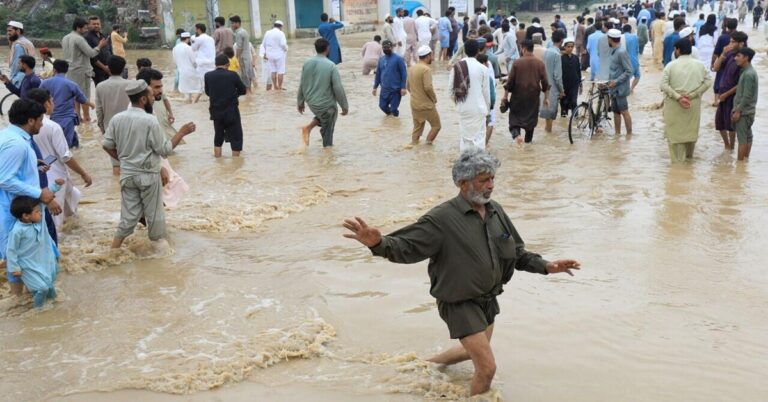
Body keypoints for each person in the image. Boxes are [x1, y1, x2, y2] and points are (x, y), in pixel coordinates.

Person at [342, 148, 580, 397]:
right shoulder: (441, 219)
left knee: (471, 350)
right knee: (487, 368)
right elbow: (406, 248)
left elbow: (516, 252)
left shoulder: (495, 210)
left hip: (487, 300)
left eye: (492, 179)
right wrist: (378, 244)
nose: (490, 186)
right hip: (459, 302)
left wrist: (548, 266)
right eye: (483, 180)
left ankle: (425, 365)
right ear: (462, 183)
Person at [102, 80, 195, 249]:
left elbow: (106, 145)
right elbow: (164, 149)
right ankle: (160, 259)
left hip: (127, 175)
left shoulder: (117, 119)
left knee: (128, 217)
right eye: (151, 95)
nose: (154, 98)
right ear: (143, 99)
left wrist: (123, 161)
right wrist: (181, 132)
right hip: (148, 176)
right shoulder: (150, 120)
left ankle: (113, 250)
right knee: (155, 216)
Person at [0, 100, 57, 297]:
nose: (42, 123)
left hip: (17, 208)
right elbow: (4, 179)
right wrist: (39, 193)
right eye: (40, 119)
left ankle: (24, 298)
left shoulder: (10, 137)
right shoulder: (17, 145)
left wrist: (32, 163)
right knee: (17, 258)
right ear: (30, 120)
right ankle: (17, 302)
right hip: (14, 211)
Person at [26, 88, 92, 229]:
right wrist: (83, 173)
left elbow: (49, 156)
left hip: (41, 177)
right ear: (46, 104)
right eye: (52, 100)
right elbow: (65, 156)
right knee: (57, 221)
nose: (54, 103)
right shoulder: (53, 127)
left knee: (70, 212)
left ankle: (75, 238)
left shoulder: (26, 125)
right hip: (56, 179)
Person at [136, 68, 193, 208]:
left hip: (147, 167)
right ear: (145, 89)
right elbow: (163, 149)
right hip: (151, 168)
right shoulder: (144, 116)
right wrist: (181, 133)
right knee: (158, 205)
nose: (160, 90)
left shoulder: (141, 110)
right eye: (156, 87)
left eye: (161, 86)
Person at [660, 39, 712, 162]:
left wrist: (678, 97)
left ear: (678, 50)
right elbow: (708, 82)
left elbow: (663, 85)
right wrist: (693, 94)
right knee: (690, 134)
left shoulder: (670, 65)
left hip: (674, 105)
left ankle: (678, 169)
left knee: (675, 138)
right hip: (692, 104)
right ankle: (688, 165)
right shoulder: (700, 65)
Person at [6, 195, 60, 308]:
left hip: (39, 261)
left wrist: (56, 186)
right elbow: (11, 250)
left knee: (50, 288)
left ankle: (54, 310)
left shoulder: (39, 222)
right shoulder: (17, 231)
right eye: (37, 211)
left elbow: (45, 200)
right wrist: (14, 268)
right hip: (26, 266)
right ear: (26, 216)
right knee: (42, 288)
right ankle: (37, 311)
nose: (40, 213)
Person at [297, 38, 349, 148]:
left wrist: (300, 102)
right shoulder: (331, 65)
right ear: (327, 49)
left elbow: (302, 83)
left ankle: (308, 128)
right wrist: (344, 106)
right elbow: (338, 88)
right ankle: (327, 154)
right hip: (326, 106)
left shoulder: (307, 63)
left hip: (311, 103)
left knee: (325, 117)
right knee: (330, 118)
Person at [61, 17, 108, 123]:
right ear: (78, 28)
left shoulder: (65, 38)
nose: (87, 30)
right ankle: (87, 118)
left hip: (70, 70)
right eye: (85, 28)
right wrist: (100, 46)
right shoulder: (79, 39)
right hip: (81, 71)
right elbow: (91, 53)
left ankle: (78, 117)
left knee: (75, 94)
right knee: (84, 95)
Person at [39, 60, 94, 149]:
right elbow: (82, 99)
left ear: (54, 70)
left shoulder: (45, 83)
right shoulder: (72, 84)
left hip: (54, 117)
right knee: (66, 146)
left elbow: (37, 96)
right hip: (68, 118)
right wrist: (92, 105)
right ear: (66, 71)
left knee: (59, 142)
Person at [503, 40, 549, 144]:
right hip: (533, 98)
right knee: (530, 123)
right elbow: (545, 83)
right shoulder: (540, 63)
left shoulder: (517, 63)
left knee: (514, 122)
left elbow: (509, 83)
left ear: (523, 49)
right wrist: (546, 98)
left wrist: (505, 97)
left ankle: (518, 136)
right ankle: (528, 143)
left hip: (518, 97)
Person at [449, 40, 490, 151]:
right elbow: (486, 93)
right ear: (478, 51)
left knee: (465, 139)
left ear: (465, 51)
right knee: (479, 140)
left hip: (463, 109)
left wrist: (459, 104)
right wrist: (487, 110)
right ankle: (478, 165)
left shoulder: (456, 67)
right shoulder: (483, 69)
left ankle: (465, 163)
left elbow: (450, 92)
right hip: (479, 109)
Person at [205, 54, 247, 157]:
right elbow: (243, 90)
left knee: (218, 138)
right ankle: (235, 164)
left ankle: (218, 162)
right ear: (227, 64)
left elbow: (207, 92)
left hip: (216, 112)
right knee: (236, 138)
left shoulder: (208, 75)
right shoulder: (233, 75)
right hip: (231, 111)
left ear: (215, 64)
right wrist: (234, 95)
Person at [94, 56, 131, 173]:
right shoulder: (131, 85)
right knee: (131, 160)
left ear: (108, 68)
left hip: (110, 126)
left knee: (116, 164)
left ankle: (116, 189)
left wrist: (101, 127)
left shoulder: (100, 86)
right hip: (130, 126)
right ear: (123, 69)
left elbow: (99, 110)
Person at [713, 31, 748, 150]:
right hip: (723, 94)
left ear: (741, 44)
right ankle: (727, 146)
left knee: (731, 125)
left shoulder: (744, 59)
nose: (730, 44)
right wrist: (723, 54)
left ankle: (732, 147)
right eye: (730, 41)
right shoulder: (729, 54)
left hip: (733, 96)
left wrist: (726, 94)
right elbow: (715, 68)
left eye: (733, 42)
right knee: (719, 123)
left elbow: (741, 84)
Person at [407, 46, 440, 145]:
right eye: (432, 55)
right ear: (428, 55)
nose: (433, 58)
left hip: (414, 103)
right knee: (436, 126)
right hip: (426, 105)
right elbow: (428, 87)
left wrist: (416, 95)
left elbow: (408, 87)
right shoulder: (426, 69)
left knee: (417, 128)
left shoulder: (411, 68)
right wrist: (434, 99)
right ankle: (427, 147)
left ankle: (415, 147)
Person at [731, 47, 757, 161]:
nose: (735, 58)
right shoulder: (748, 71)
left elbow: (746, 96)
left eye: (738, 56)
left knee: (742, 139)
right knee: (748, 137)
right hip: (748, 111)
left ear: (746, 58)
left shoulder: (748, 74)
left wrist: (738, 111)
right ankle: (745, 162)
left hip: (744, 112)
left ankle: (740, 166)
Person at [607, 29, 634, 135]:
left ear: (610, 39)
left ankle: (629, 134)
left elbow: (629, 71)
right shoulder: (613, 51)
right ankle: (617, 134)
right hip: (613, 88)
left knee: (624, 111)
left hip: (620, 88)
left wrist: (616, 82)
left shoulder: (621, 52)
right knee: (616, 112)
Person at [373, 40, 407, 117]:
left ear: (392, 47)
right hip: (384, 89)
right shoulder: (381, 59)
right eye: (384, 48)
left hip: (395, 90)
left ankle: (395, 122)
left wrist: (403, 87)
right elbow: (378, 74)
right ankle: (391, 120)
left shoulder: (399, 59)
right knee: (382, 106)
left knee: (394, 109)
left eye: (387, 47)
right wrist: (375, 87)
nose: (386, 49)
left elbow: (404, 74)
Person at [540, 31, 565, 132]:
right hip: (553, 88)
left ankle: (547, 133)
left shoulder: (546, 51)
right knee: (551, 114)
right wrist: (562, 90)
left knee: (547, 114)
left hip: (545, 86)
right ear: (562, 41)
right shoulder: (557, 54)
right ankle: (548, 134)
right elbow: (557, 76)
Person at [173, 32, 202, 102]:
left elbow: (175, 61)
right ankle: (194, 103)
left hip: (181, 72)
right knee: (199, 88)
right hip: (191, 72)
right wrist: (197, 69)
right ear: (188, 39)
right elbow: (194, 61)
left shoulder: (175, 48)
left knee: (186, 92)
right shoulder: (189, 48)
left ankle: (188, 103)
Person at [84, 16, 112, 90]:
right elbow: (92, 57)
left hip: (109, 68)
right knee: (102, 91)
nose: (96, 25)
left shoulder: (104, 36)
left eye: (98, 24)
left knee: (111, 90)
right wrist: (105, 68)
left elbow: (110, 51)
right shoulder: (87, 38)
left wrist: (112, 66)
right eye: (94, 24)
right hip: (97, 70)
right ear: (88, 25)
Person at [230, 16, 255, 94]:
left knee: (244, 74)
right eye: (231, 23)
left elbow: (239, 47)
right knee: (248, 73)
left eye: (233, 23)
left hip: (243, 57)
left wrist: (236, 58)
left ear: (238, 23)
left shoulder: (239, 33)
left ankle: (247, 92)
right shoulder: (244, 31)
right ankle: (249, 90)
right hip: (247, 56)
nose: (232, 25)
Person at [6, 21, 36, 87]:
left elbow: (17, 63)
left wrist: (12, 78)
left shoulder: (19, 45)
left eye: (10, 31)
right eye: (7, 31)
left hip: (21, 77)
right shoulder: (25, 42)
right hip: (29, 75)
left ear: (18, 31)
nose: (8, 33)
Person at [192, 23, 216, 102]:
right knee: (212, 83)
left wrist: (193, 40)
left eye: (196, 29)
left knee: (202, 85)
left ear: (198, 29)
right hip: (212, 64)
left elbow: (193, 48)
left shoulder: (198, 39)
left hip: (202, 64)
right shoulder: (211, 38)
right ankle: (212, 99)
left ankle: (194, 102)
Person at [262, 21, 288, 90]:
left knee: (273, 71)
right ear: (281, 27)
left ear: (274, 26)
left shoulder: (267, 32)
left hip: (270, 55)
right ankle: (279, 87)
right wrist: (285, 49)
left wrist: (265, 53)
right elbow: (283, 44)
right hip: (279, 55)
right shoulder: (281, 33)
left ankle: (275, 87)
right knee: (280, 71)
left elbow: (264, 44)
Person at [560, 37, 582, 117]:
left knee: (574, 101)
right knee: (564, 103)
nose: (570, 48)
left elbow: (578, 71)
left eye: (572, 47)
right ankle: (563, 119)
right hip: (564, 84)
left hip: (574, 84)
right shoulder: (561, 58)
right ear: (564, 47)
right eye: (568, 46)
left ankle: (575, 119)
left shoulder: (576, 58)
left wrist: (580, 83)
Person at [623, 25, 642, 92]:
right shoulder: (635, 37)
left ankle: (626, 90)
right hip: (635, 60)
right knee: (637, 76)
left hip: (625, 61)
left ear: (623, 30)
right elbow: (637, 50)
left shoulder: (622, 37)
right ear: (630, 30)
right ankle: (631, 88)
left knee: (625, 78)